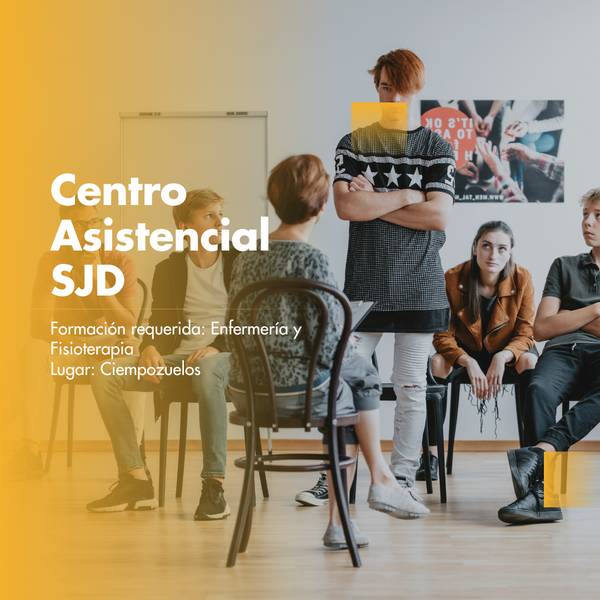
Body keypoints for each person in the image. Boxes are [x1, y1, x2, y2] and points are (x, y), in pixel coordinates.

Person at [228, 154, 431, 551]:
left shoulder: (244, 258)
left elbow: (236, 329)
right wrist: (346, 342)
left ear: (274, 201)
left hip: (248, 391)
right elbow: (326, 349)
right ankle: (367, 495)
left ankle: (370, 493)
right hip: (301, 393)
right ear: (322, 206)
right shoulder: (313, 260)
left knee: (351, 376)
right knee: (360, 379)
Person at [298, 49, 455, 509]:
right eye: (383, 86)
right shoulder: (354, 142)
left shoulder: (437, 147)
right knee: (344, 378)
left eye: (397, 87)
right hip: (364, 283)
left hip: (420, 283)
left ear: (415, 89)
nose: (390, 95)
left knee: (410, 384)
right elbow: (348, 207)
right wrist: (409, 194)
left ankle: (400, 479)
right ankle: (336, 476)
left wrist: (381, 198)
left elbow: (439, 216)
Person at [88, 189, 236, 519]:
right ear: (184, 226)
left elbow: (253, 319)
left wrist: (218, 346)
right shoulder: (168, 269)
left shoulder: (240, 261)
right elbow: (160, 322)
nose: (220, 222)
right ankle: (136, 479)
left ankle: (214, 486)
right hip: (178, 359)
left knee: (207, 366)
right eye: (210, 216)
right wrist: (150, 347)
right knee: (104, 374)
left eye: (220, 214)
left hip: (223, 358)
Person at [10, 202, 139, 480]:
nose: (90, 230)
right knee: (32, 351)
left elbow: (128, 323)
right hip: (67, 347)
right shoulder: (51, 262)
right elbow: (39, 325)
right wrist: (68, 338)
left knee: (132, 349)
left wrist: (97, 278)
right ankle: (30, 449)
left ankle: (134, 460)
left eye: (94, 222)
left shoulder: (119, 261)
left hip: (107, 345)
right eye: (81, 225)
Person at [498, 188, 600, 524]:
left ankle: (540, 458)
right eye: (585, 214)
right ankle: (547, 496)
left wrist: (570, 315)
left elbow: (556, 320)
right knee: (538, 389)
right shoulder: (564, 266)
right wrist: (595, 309)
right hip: (563, 350)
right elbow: (542, 328)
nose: (588, 222)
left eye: (597, 216)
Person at [426, 221, 538, 480]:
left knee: (530, 362)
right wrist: (467, 361)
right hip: (467, 352)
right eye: (486, 246)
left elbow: (525, 333)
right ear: (475, 247)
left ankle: (533, 455)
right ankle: (431, 456)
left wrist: (503, 356)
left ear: (510, 252)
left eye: (501, 248)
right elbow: (442, 334)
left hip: (507, 353)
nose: (493, 254)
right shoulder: (453, 278)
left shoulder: (522, 278)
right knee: (436, 364)